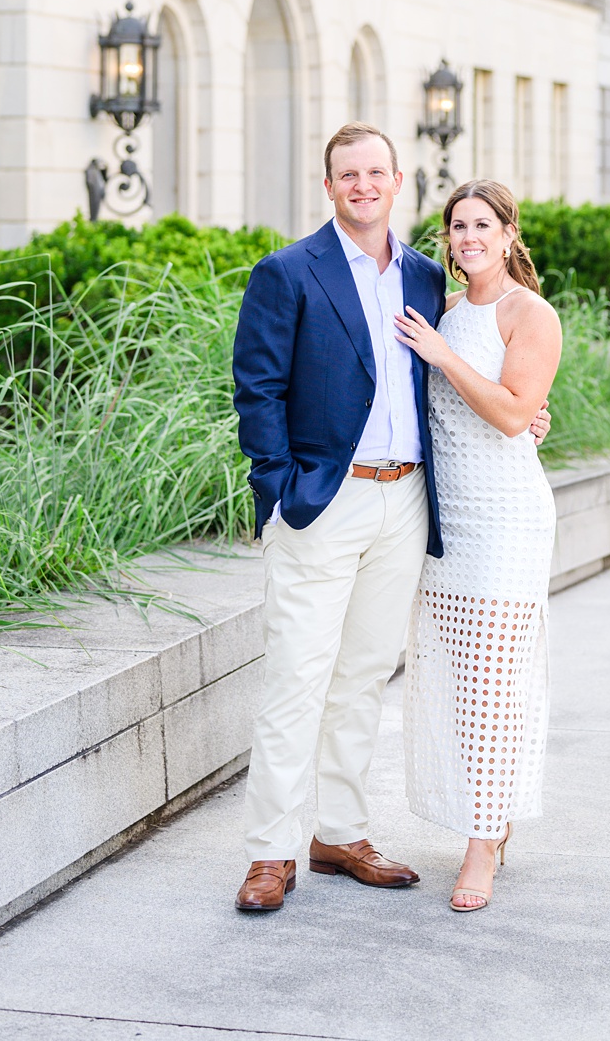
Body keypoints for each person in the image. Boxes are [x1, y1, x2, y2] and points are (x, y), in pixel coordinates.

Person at [228, 127, 546, 915]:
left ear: (397, 180)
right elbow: (256, 391)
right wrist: (279, 491)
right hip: (322, 501)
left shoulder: (424, 275)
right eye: (348, 174)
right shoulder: (287, 272)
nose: (363, 185)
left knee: (365, 675)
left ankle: (339, 832)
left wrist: (533, 417)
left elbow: (477, 374)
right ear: (329, 185)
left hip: (406, 501)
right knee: (296, 675)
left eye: (376, 172)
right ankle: (271, 849)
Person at [391, 179, 564, 913]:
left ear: (508, 234)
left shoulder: (530, 313)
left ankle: (481, 845)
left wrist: (444, 356)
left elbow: (511, 414)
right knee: (463, 687)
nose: (467, 236)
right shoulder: (448, 310)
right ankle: (491, 815)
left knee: (494, 682)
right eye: (457, 225)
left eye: (481, 224)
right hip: (448, 522)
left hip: (506, 520)